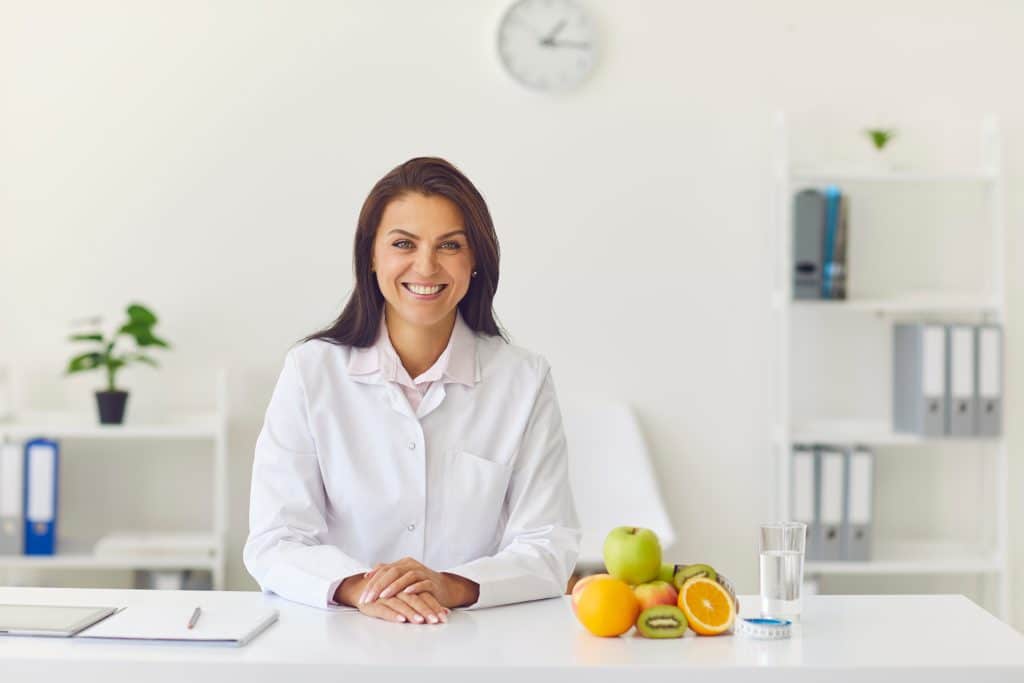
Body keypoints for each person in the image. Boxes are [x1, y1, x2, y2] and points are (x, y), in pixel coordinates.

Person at [243, 157, 581, 624]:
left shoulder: (524, 379)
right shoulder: (310, 372)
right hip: (340, 640)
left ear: (475, 259)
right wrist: (364, 589)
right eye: (404, 243)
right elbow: (275, 539)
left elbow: (549, 543)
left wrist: (449, 585)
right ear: (371, 256)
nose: (426, 266)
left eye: (450, 245)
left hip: (476, 642)